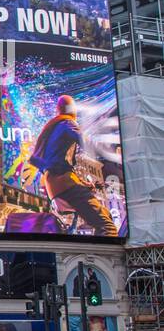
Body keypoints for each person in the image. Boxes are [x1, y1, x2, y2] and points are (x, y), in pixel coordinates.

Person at [29, 95, 116, 235]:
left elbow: (53, 164)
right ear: (71, 109)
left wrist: (82, 182)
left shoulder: (53, 127)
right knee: (107, 227)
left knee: (104, 214)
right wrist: (110, 150)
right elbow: (85, 141)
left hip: (55, 187)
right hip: (65, 184)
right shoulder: (68, 123)